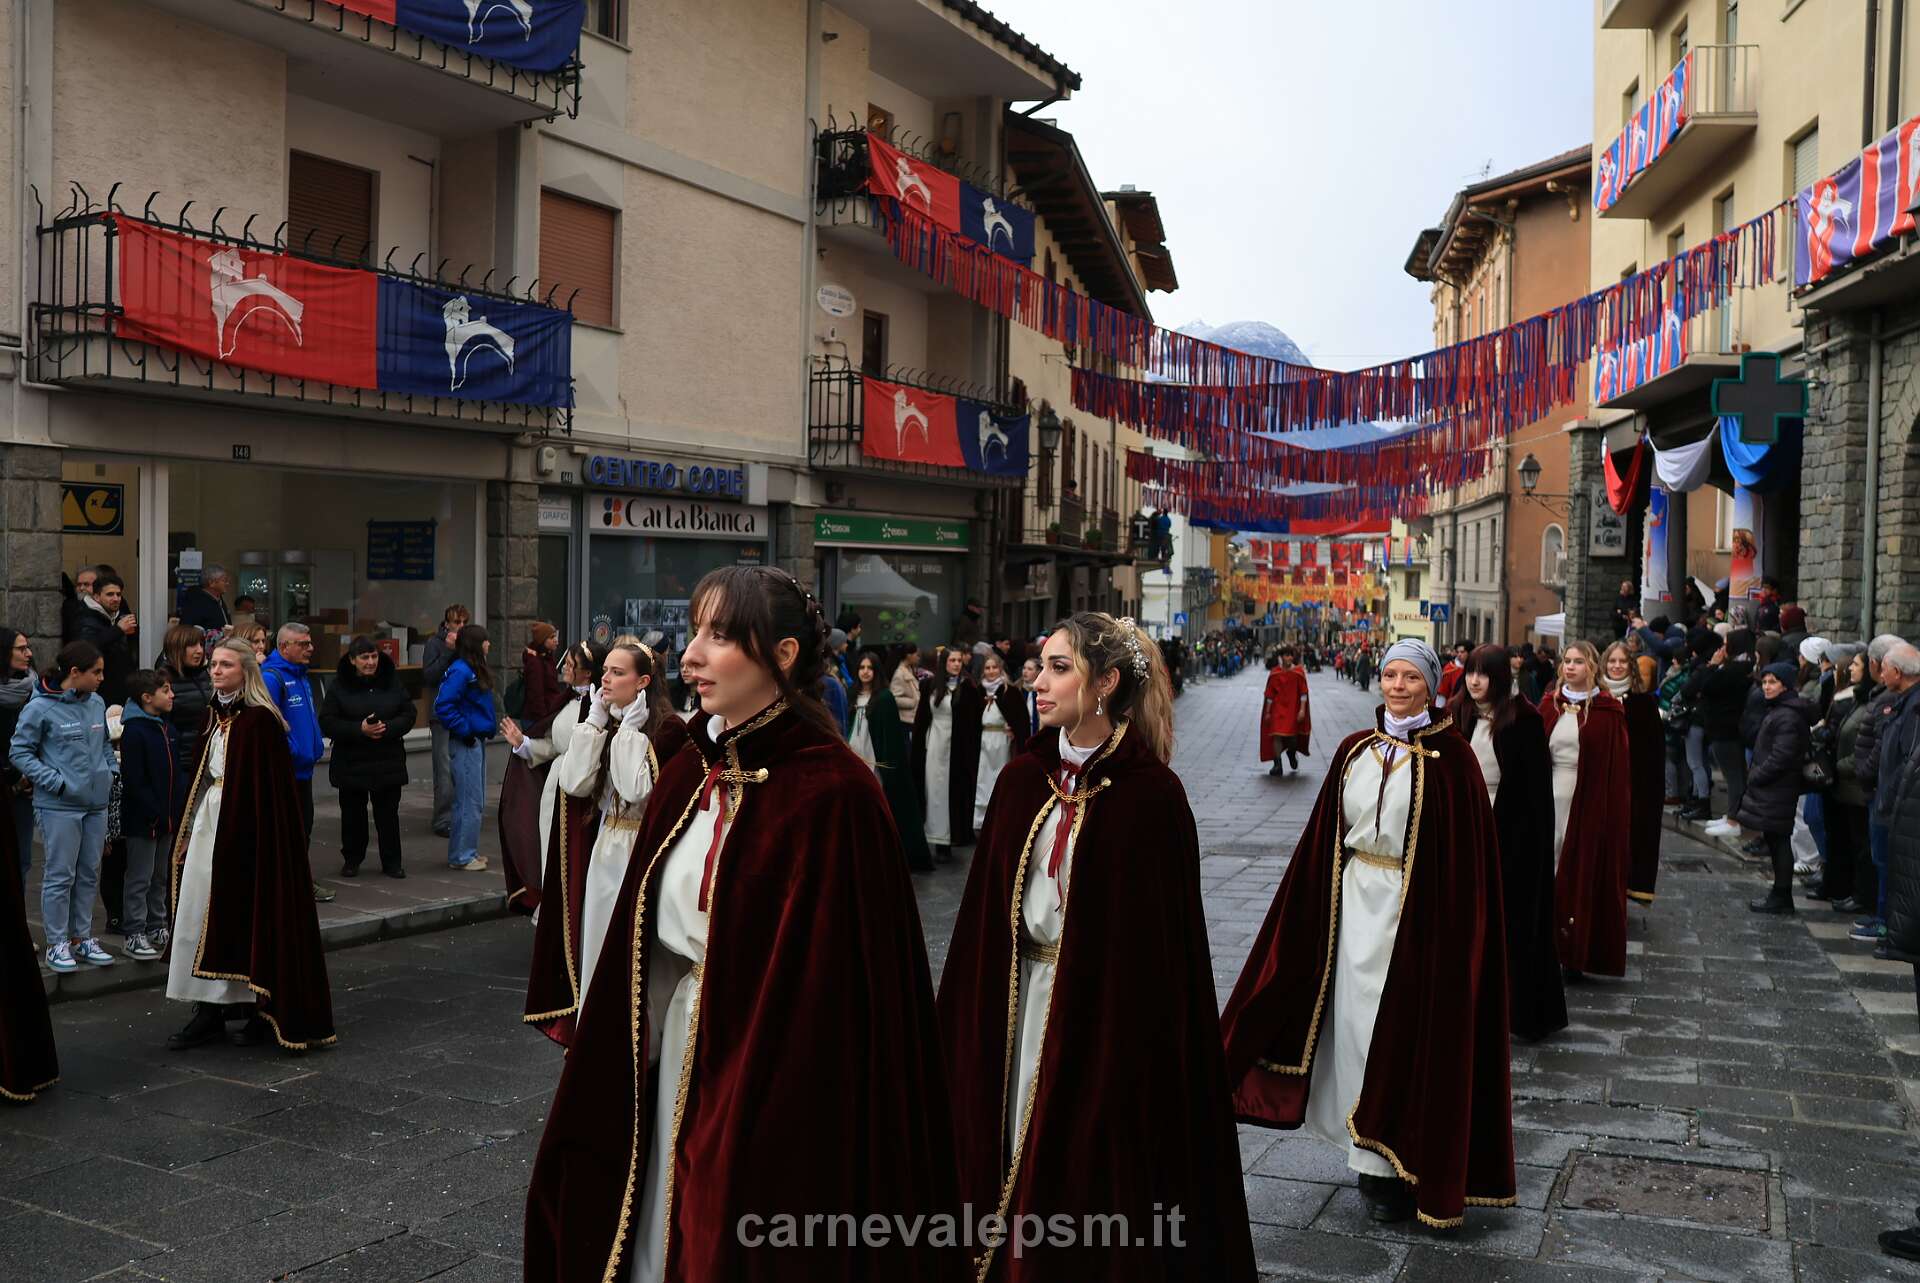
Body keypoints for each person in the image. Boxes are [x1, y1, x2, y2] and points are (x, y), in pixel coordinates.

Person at [523, 566, 961, 1282]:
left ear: (782, 655)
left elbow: (848, 998)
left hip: (775, 1088)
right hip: (672, 1063)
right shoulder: (688, 771)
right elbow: (646, 945)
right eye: (695, 631)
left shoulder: (835, 793)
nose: (692, 654)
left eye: (720, 635)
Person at [937, 613, 1256, 1280]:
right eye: (1040, 665)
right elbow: (980, 928)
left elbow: (1164, 955)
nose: (1038, 681)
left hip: (1105, 1022)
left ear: (1105, 683)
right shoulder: (1021, 782)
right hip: (1018, 1004)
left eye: (1059, 668)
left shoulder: (1152, 797)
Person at [1222, 638, 1514, 1229]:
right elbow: (1323, 841)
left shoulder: (1454, 760)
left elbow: (1467, 865)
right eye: (1390, 675)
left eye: (1411, 677)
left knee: (1402, 1032)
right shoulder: (1355, 749)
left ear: (1432, 687)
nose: (1398, 686)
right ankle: (1369, 1161)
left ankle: (1399, 1158)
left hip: (1418, 916)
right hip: (1353, 910)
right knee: (1354, 1031)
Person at [163, 638, 335, 1052]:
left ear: (246, 671)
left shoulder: (260, 721)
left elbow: (270, 794)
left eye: (225, 665)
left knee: (246, 915)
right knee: (199, 910)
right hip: (212, 821)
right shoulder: (214, 715)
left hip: (248, 832)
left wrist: (257, 843)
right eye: (213, 665)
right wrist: (187, 830)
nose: (216, 671)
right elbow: (203, 775)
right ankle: (209, 1009)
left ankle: (259, 1008)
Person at [542, 640, 686, 1035]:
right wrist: (594, 724)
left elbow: (635, 789)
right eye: (605, 670)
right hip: (606, 846)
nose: (605, 679)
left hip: (641, 850)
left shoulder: (667, 729)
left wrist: (630, 732)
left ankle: (635, 1037)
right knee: (597, 942)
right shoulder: (606, 722)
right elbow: (574, 783)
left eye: (617, 673)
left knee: (634, 952)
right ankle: (596, 1033)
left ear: (642, 682)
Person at [1461, 644, 1566, 1040]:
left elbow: (1533, 794)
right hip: (1466, 825)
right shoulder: (1459, 714)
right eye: (1471, 672)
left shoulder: (1523, 720)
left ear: (1501, 677)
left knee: (1511, 925)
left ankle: (1515, 1010)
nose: (1475, 681)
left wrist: (1521, 847)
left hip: (1510, 832)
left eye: (1484, 673)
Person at [519, 642, 614, 1041]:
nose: (564, 669)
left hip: (578, 796)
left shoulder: (599, 710)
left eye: (571, 664)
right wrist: (524, 744)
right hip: (555, 792)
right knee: (551, 860)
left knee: (576, 866)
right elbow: (553, 744)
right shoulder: (566, 702)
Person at [10, 642, 117, 972]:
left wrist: (110, 772)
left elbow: (104, 745)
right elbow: (19, 752)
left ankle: (81, 937)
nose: (102, 678)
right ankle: (57, 943)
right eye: (96, 672)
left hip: (95, 804)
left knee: (88, 873)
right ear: (75, 672)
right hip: (59, 807)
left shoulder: (96, 702)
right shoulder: (39, 708)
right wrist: (55, 782)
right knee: (60, 875)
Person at [1541, 640, 1632, 979]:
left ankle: (1574, 950)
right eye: (1566, 660)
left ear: (1592, 667)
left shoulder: (1608, 711)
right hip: (1549, 796)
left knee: (1578, 871)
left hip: (1587, 800)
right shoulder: (1549, 705)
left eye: (1578, 661)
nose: (1570, 667)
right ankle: (1544, 945)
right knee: (1547, 869)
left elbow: (1616, 769)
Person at [318, 637, 417, 880]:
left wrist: (388, 728)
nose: (370, 662)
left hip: (387, 759)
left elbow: (408, 713)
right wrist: (358, 729)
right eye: (364, 657)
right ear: (353, 660)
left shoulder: (391, 681)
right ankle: (352, 859)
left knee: (388, 815)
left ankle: (392, 862)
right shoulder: (339, 686)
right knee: (353, 816)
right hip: (352, 761)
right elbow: (327, 722)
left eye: (374, 656)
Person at [260, 624, 334, 903]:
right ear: (284, 647)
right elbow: (270, 726)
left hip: (303, 770)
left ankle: (299, 882)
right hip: (286, 770)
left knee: (303, 829)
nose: (310, 648)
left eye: (310, 643)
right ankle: (288, 886)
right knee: (289, 831)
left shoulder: (300, 675)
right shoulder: (272, 677)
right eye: (303, 644)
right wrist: (293, 752)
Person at [1736, 662, 1816, 914]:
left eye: (1773, 682)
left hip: (1778, 788)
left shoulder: (1788, 715)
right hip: (1773, 788)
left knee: (1779, 840)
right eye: (1764, 682)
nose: (1767, 687)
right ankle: (1780, 894)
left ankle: (1781, 895)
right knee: (1774, 839)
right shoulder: (1779, 710)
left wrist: (1756, 775)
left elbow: (1782, 756)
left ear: (1786, 685)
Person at [848, 648, 933, 872]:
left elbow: (889, 737)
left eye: (870, 668)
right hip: (855, 753)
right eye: (862, 667)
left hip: (876, 758)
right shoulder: (852, 694)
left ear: (876, 671)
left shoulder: (884, 698)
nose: (865, 672)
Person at [117, 669, 178, 962]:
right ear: (147, 697)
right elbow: (135, 780)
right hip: (144, 819)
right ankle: (134, 931)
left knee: (160, 876)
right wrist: (154, 810)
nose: (172, 695)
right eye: (165, 690)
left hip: (166, 817)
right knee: (140, 876)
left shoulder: (166, 727)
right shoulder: (135, 731)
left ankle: (157, 925)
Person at [1602, 641, 1667, 907]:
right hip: (1598, 785)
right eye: (1612, 661)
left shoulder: (1644, 704)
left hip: (1632, 787)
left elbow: (1654, 755)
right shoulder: (1594, 698)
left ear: (1631, 666)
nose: (1617, 666)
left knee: (1626, 844)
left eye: (1622, 661)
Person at [1813, 647, 1876, 914]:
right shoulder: (1858, 700)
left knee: (1860, 845)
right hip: (1847, 785)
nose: (1851, 669)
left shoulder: (1866, 703)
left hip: (1856, 786)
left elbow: (1866, 748)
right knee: (1847, 841)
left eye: (1857, 665)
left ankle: (1861, 896)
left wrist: (1839, 766)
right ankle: (1845, 888)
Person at [433, 623, 496, 874]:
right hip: (467, 741)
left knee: (471, 800)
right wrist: (465, 730)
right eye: (485, 640)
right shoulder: (462, 670)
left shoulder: (469, 668)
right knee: (470, 801)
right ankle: (462, 855)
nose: (489, 644)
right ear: (476, 644)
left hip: (472, 739)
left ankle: (465, 850)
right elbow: (443, 705)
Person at [913, 645, 983, 862]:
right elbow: (922, 719)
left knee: (955, 793)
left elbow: (974, 724)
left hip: (959, 751)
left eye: (959, 661)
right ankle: (938, 840)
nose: (956, 664)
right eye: (952, 660)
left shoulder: (969, 688)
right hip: (935, 746)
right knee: (935, 792)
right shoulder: (930, 686)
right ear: (944, 662)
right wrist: (917, 750)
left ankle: (953, 837)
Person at [1693, 628, 1757, 838]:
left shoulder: (1734, 670)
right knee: (1733, 775)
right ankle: (1731, 814)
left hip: (1727, 731)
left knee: (1734, 776)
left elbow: (1707, 686)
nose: (1722, 648)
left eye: (1726, 644)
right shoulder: (1737, 668)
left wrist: (1712, 665)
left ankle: (1734, 819)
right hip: (1724, 729)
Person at [422, 605, 471, 840]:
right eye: (456, 622)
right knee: (443, 769)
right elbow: (429, 675)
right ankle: (442, 819)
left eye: (464, 623)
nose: (460, 627)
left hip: (463, 714)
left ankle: (461, 815)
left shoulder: (467, 644)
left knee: (463, 767)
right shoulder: (435, 643)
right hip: (441, 715)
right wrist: (449, 653)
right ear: (447, 624)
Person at [970, 651, 1028, 833]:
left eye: (994, 667)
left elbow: (1020, 719)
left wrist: (1013, 729)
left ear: (1000, 669)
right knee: (982, 778)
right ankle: (980, 820)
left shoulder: (1009, 691)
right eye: (987, 668)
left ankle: (1000, 817)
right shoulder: (978, 691)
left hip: (1002, 741)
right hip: (983, 740)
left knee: (999, 776)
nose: (991, 671)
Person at [158, 625, 213, 810]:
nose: (199, 650)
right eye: (192, 645)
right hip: (181, 764)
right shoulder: (164, 680)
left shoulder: (206, 675)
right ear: (176, 648)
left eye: (201, 644)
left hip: (207, 760)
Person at [70, 572, 138, 707]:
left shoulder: (119, 615)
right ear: (96, 597)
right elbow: (87, 648)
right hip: (99, 690)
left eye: (118, 594)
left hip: (121, 686)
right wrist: (118, 630)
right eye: (110, 594)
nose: (116, 598)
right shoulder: (85, 617)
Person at [0, 628, 37, 873]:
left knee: (22, 862)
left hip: (25, 786)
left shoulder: (33, 688)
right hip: (9, 781)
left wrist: (30, 775)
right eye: (21, 649)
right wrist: (14, 777)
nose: (29, 653)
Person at [1260, 644, 1311, 776]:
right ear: (1281, 657)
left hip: (1293, 710)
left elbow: (1303, 693)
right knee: (1276, 735)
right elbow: (1270, 695)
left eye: (1290, 656)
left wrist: (1302, 710)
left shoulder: (1298, 673)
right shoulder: (1275, 673)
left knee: (1292, 737)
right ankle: (1277, 765)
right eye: (1286, 656)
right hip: (1277, 710)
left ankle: (1291, 753)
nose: (1289, 658)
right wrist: (1268, 712)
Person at [519, 622, 568, 724]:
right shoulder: (535, 663)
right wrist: (543, 719)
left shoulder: (546, 658)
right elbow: (536, 694)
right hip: (536, 719)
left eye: (556, 636)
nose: (556, 640)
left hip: (545, 714)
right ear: (542, 640)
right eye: (551, 637)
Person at [176, 564, 233, 636]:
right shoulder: (196, 603)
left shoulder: (218, 600)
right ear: (211, 583)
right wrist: (218, 635)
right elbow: (187, 633)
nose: (227, 583)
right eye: (224, 580)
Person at [61, 566, 98, 645]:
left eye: (86, 584)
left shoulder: (108, 603)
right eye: (78, 584)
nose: (81, 588)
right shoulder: (69, 606)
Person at [890, 644, 923, 733]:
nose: (918, 658)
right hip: (905, 720)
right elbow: (893, 698)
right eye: (916, 655)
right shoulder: (899, 674)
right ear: (909, 655)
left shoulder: (910, 669)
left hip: (912, 718)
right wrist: (913, 702)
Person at [1019, 655, 1042, 738]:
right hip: (1021, 731)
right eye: (1024, 668)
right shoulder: (1018, 689)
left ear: (1038, 672)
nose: (1025, 671)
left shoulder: (1042, 690)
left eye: (1029, 669)